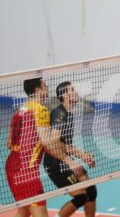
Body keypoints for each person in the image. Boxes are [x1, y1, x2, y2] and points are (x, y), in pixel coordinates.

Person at [43, 81, 97, 217]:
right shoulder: (59, 114)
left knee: (91, 191)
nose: (76, 92)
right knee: (81, 197)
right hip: (55, 164)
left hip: (64, 160)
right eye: (72, 90)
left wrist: (82, 155)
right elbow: (54, 142)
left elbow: (64, 144)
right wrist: (78, 155)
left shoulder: (69, 114)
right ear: (65, 96)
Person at [5, 77, 50, 217]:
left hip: (12, 166)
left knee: (24, 211)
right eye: (45, 85)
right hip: (26, 171)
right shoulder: (41, 110)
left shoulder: (20, 110)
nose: (47, 87)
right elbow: (46, 143)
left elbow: (9, 144)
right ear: (38, 90)